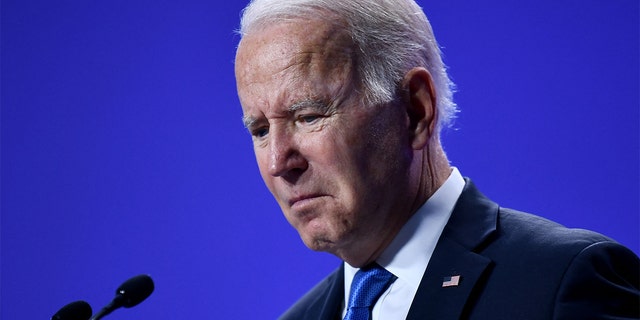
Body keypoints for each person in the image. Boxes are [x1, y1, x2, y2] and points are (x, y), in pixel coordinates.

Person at [233, 0, 640, 319]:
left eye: (308, 116)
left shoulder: (562, 282)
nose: (278, 162)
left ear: (414, 110)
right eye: (260, 130)